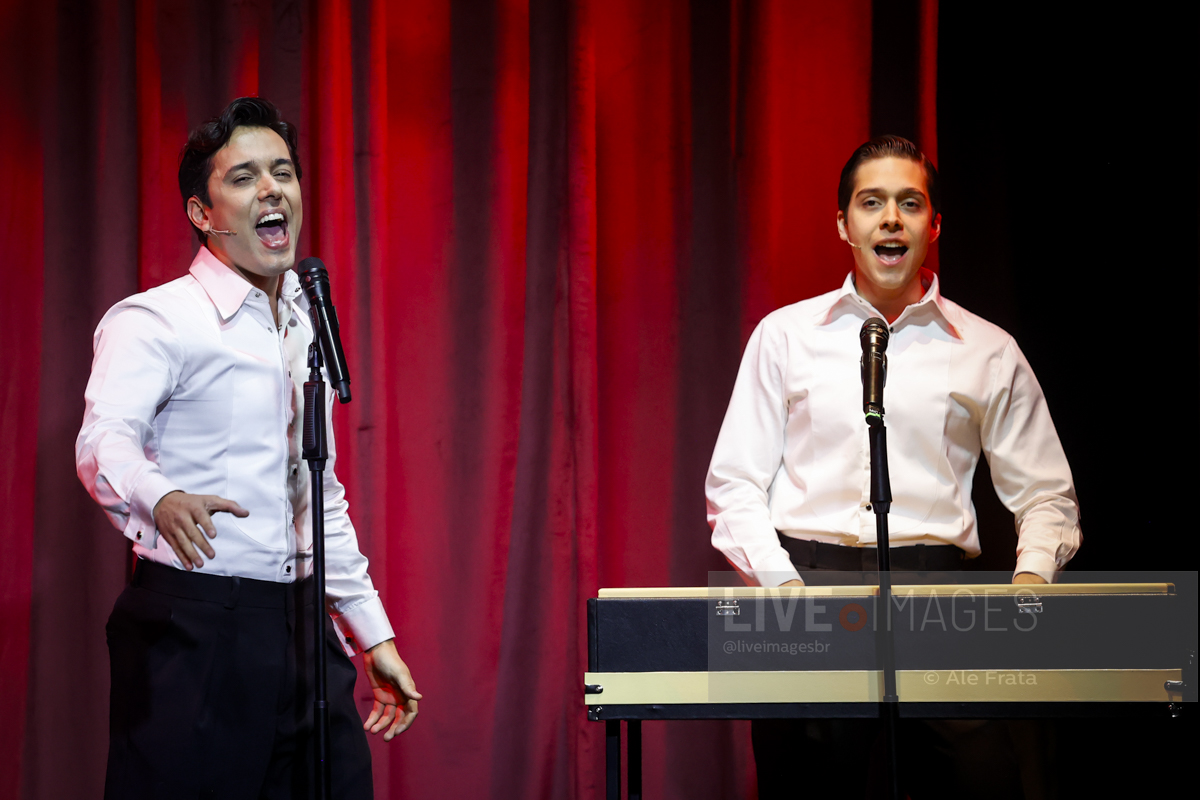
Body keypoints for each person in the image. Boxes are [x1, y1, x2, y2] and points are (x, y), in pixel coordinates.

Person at [705, 136, 1080, 797]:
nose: (890, 220)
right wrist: (786, 592)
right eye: (871, 202)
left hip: (940, 601)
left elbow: (1047, 494)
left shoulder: (988, 349)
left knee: (982, 779)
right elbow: (734, 485)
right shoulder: (785, 336)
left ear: (933, 226)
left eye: (909, 203)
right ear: (843, 224)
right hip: (808, 592)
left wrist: (1028, 589)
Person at [76, 96, 419, 800]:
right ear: (203, 213)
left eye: (283, 172)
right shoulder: (157, 319)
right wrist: (161, 496)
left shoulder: (303, 319)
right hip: (196, 627)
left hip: (302, 629)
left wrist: (372, 635)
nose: (272, 189)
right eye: (244, 177)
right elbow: (104, 438)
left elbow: (317, 493)